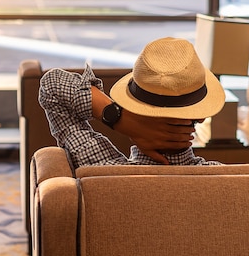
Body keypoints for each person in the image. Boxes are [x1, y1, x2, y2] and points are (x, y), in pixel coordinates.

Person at [38, 36, 226, 168]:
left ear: (132, 107)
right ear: (201, 117)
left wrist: (117, 118)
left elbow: (52, 84)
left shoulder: (98, 168)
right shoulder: (228, 183)